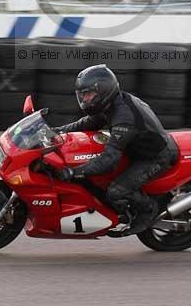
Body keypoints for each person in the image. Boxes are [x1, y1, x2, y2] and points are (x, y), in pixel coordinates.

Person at [54, 64, 179, 235]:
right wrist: (55, 131)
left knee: (116, 191)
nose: (84, 99)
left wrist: (73, 172)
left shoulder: (123, 118)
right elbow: (85, 123)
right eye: (82, 95)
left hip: (153, 157)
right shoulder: (110, 105)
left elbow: (109, 161)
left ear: (103, 91)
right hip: (134, 149)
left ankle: (148, 210)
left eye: (88, 94)